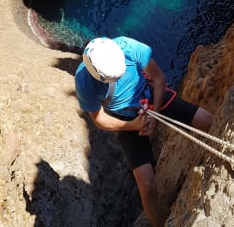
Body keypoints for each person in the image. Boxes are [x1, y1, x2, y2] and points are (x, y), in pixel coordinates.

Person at [75, 36, 213, 227]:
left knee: (208, 121)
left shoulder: (128, 47)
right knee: (146, 186)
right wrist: (134, 125)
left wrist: (154, 114)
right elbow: (99, 119)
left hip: (150, 96)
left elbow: (157, 79)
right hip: (127, 119)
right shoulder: (85, 83)